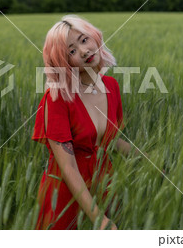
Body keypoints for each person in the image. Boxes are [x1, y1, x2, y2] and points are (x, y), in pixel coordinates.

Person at [32, 15, 136, 230]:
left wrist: (148, 160)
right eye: (71, 51)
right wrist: (99, 219)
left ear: (95, 37)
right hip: (67, 194)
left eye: (83, 40)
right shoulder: (56, 98)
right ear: (63, 61)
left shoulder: (111, 86)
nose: (84, 51)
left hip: (104, 183)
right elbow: (68, 166)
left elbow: (109, 140)